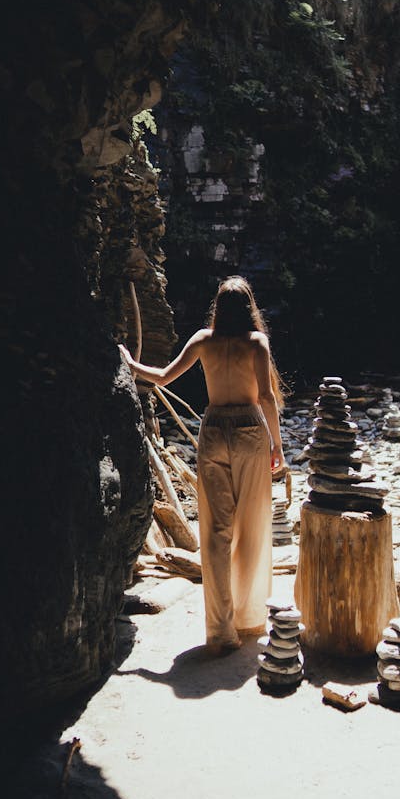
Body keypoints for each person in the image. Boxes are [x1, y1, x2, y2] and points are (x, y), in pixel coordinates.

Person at [120, 275, 285, 654]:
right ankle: (247, 616)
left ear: (217, 307)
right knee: (252, 526)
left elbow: (162, 377)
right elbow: (265, 397)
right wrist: (278, 446)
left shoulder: (202, 340)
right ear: (250, 308)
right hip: (249, 431)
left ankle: (221, 631)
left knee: (215, 532)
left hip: (212, 432)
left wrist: (130, 362)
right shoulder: (256, 342)